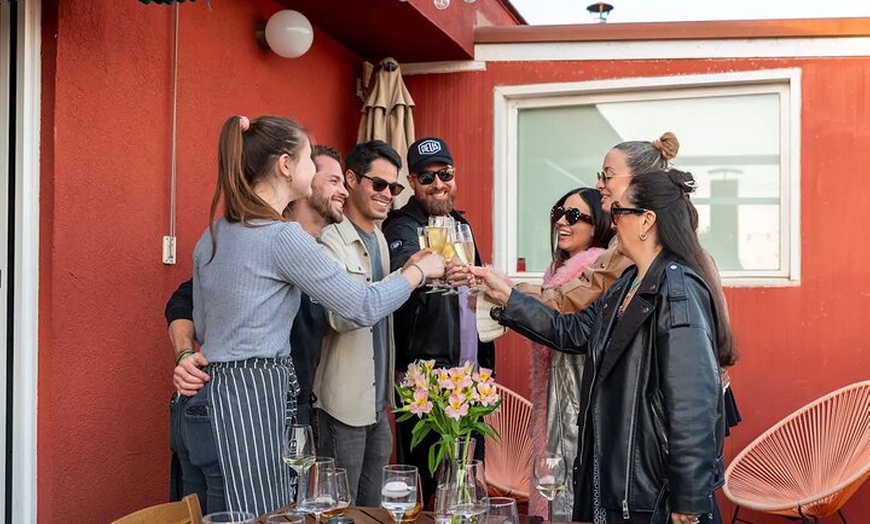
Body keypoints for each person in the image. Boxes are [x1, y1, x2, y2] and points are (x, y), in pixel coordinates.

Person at [173, 115, 444, 515]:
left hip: (200, 397)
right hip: (252, 398)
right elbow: (361, 305)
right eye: (307, 161)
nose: (313, 169)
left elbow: (204, 321)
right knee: (264, 517)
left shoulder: (214, 234)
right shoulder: (281, 236)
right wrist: (416, 272)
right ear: (285, 166)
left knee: (215, 516)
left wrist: (182, 354)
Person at [473, 169, 736, 524]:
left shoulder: (678, 289)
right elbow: (573, 331)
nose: (611, 224)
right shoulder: (627, 283)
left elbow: (694, 405)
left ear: (646, 221)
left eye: (619, 213)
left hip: (651, 489)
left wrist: (688, 499)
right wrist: (506, 296)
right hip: (615, 476)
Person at [164, 144, 347, 423]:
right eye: (333, 181)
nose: (344, 191)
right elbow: (183, 300)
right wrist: (185, 354)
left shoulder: (317, 251)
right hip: (252, 408)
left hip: (296, 405)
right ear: (299, 178)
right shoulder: (262, 241)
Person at [382, 136, 493, 504]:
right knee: (428, 487)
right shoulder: (399, 226)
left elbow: (474, 287)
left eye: (444, 174)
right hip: (423, 382)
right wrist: (442, 267)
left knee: (467, 480)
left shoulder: (463, 226)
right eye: (426, 178)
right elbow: (411, 264)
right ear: (412, 183)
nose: (438, 184)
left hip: (470, 378)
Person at [313, 140, 406, 506]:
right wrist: (412, 275)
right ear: (350, 180)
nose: (387, 194)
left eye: (394, 188)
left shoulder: (380, 239)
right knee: (339, 509)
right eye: (378, 184)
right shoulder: (328, 240)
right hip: (341, 405)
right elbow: (342, 315)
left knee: (374, 511)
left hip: (377, 403)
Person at [522, 187, 614, 520]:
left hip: (573, 411)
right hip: (555, 406)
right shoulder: (557, 271)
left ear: (598, 225)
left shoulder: (590, 271)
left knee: (565, 500)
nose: (562, 221)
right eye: (558, 213)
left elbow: (560, 324)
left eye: (574, 216)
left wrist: (501, 291)